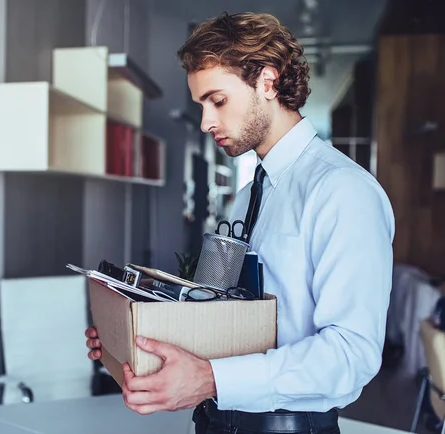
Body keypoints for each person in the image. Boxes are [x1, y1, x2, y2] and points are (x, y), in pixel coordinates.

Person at [85, 11, 395, 434]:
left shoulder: (344, 192)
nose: (206, 122)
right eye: (201, 105)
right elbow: (216, 309)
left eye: (218, 100)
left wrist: (209, 379)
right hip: (214, 420)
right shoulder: (247, 196)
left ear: (267, 82)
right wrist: (132, 340)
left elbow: (352, 355)